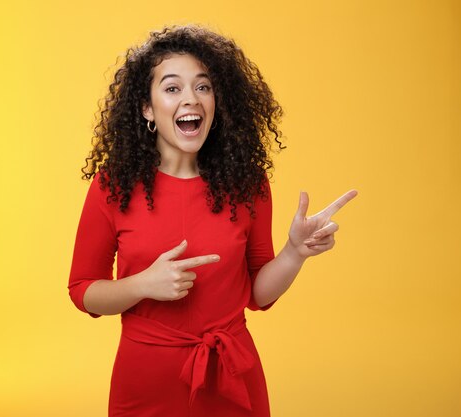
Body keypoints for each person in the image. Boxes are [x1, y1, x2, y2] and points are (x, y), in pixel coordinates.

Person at [68, 24, 357, 417]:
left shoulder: (247, 184)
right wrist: (142, 284)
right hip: (145, 382)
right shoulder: (112, 186)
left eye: (203, 87)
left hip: (233, 378)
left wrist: (294, 252)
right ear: (147, 108)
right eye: (172, 88)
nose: (192, 99)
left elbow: (257, 295)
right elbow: (83, 290)